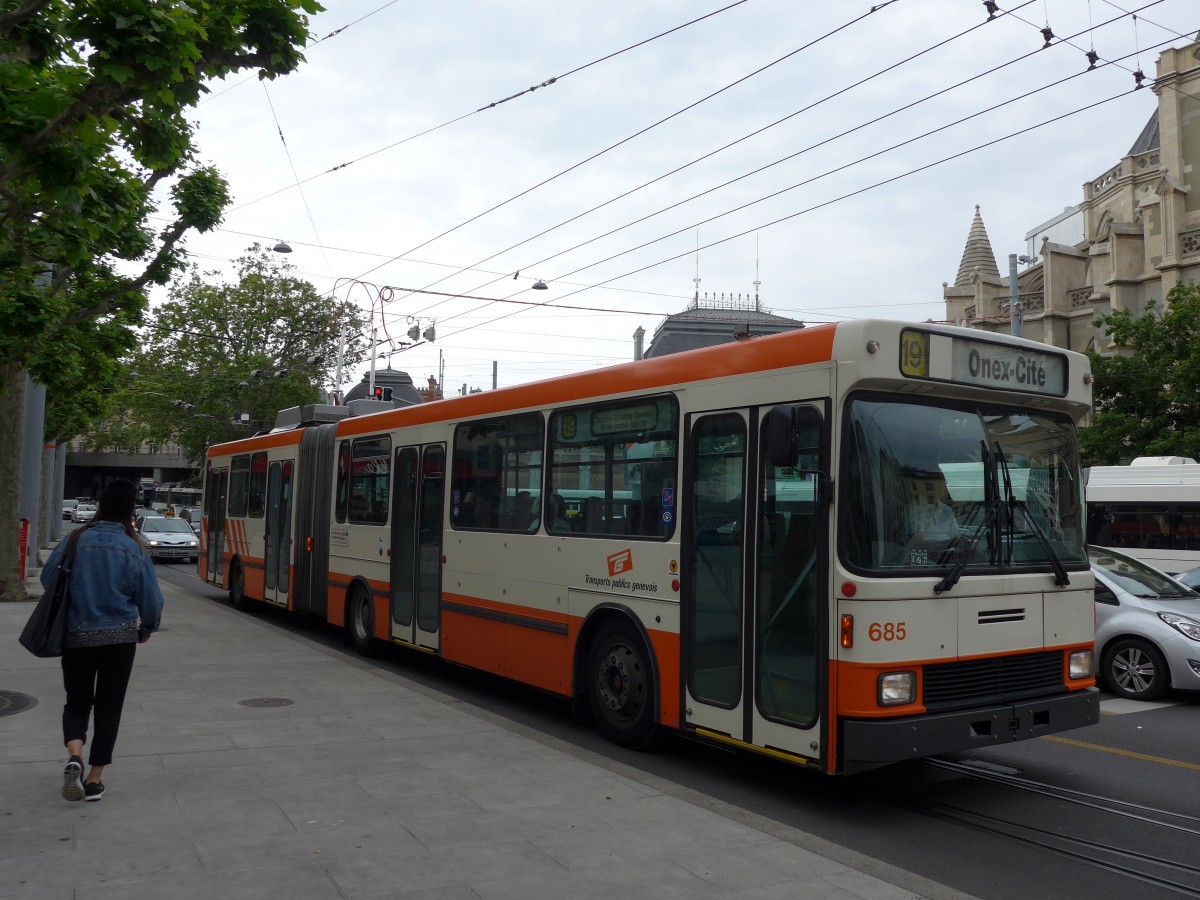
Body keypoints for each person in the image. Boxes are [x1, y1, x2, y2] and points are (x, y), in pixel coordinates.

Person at [42, 478, 164, 803]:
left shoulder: (75, 540)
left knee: (77, 701)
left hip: (77, 636)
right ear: (130, 512)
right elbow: (151, 599)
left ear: (99, 507)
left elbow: (48, 578)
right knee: (109, 708)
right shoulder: (133, 545)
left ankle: (75, 756)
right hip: (120, 640)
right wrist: (147, 628)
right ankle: (95, 779)